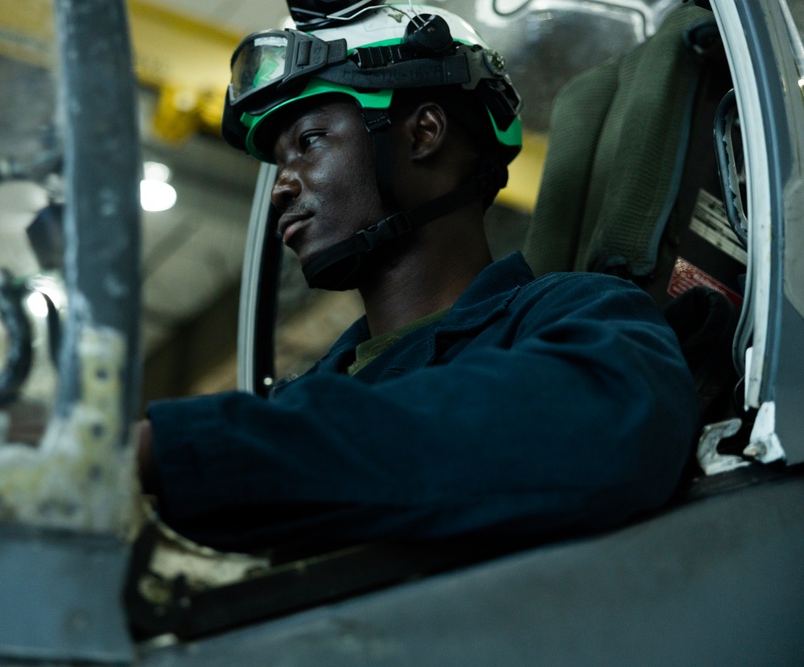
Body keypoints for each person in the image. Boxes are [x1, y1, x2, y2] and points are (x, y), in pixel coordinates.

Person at [136, 2, 699, 553]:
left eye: (309, 142)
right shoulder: (314, 392)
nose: (283, 186)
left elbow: (606, 429)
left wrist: (185, 450)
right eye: (278, 163)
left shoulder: (576, 315)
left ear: (423, 132)